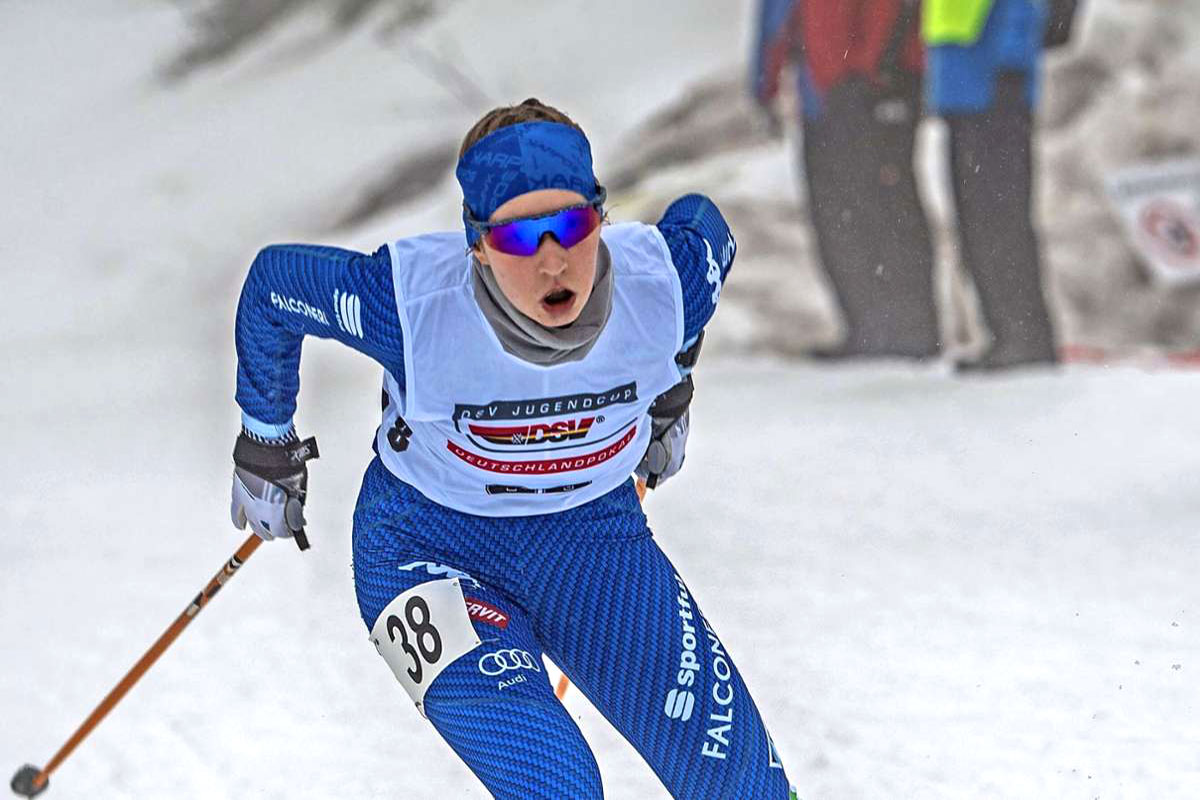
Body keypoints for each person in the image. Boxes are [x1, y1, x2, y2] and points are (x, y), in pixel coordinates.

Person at [227, 99, 798, 799]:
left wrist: (670, 381)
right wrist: (265, 443)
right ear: (477, 244)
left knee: (744, 788)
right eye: (522, 239)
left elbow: (705, 221)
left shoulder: (666, 283)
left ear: (601, 217)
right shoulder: (410, 306)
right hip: (426, 549)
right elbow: (274, 287)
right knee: (557, 784)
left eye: (573, 226)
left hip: (594, 542)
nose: (555, 261)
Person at [753, 0, 941, 360]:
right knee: (838, 213)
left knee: (885, 204)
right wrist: (766, 82)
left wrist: (878, 69)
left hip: (871, 82)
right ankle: (868, 325)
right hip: (825, 90)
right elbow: (777, 15)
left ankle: (910, 328)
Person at [923, 0, 1079, 370]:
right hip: (961, 81)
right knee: (976, 220)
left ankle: (1024, 336)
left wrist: (1012, 58)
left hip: (992, 82)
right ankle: (1005, 333)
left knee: (999, 218)